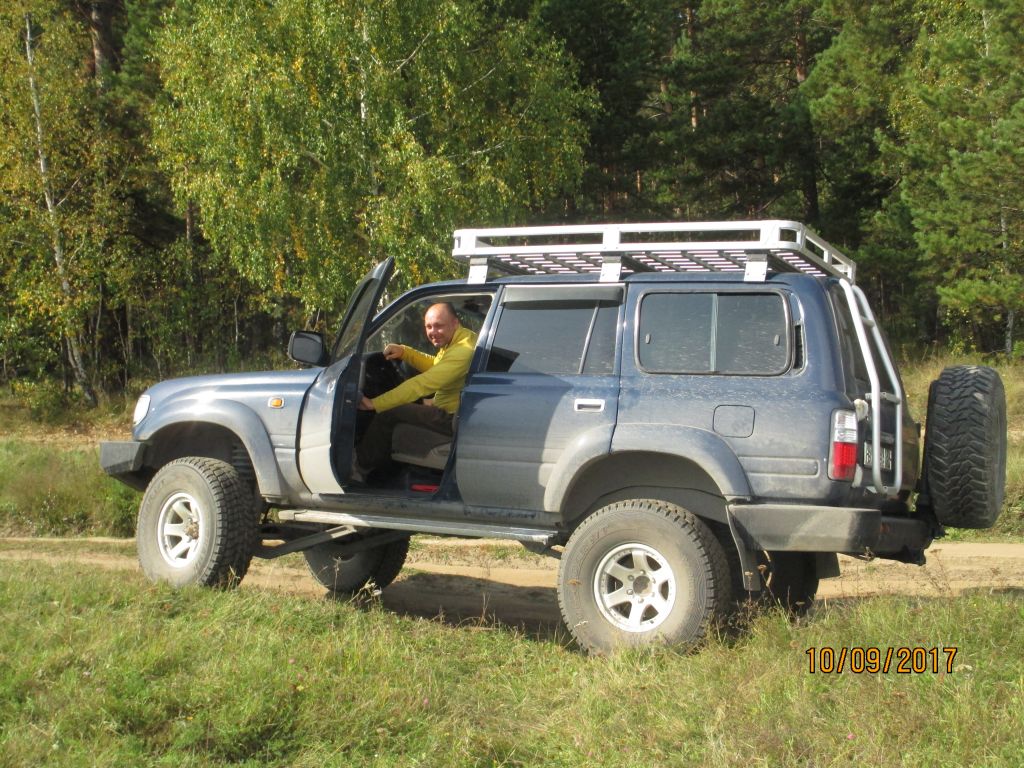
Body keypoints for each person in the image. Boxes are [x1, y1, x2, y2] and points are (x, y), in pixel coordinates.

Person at [354, 302, 477, 478]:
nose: (433, 332)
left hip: (452, 418)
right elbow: (437, 366)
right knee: (409, 403)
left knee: (388, 413)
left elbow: (420, 385)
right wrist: (405, 352)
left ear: (455, 323)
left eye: (439, 326)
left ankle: (359, 468)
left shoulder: (463, 351)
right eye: (429, 326)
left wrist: (374, 404)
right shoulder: (461, 339)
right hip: (452, 410)